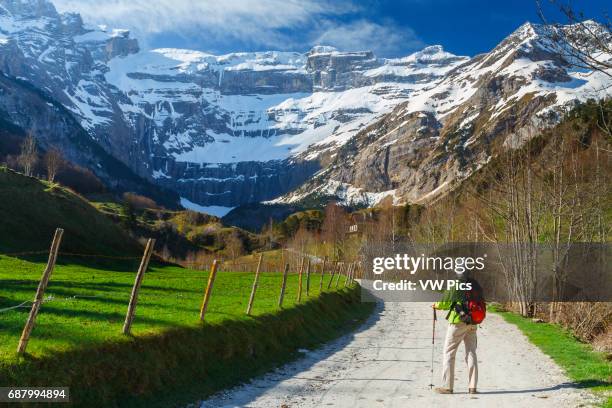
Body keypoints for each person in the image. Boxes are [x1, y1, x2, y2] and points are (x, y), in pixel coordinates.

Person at [432, 273, 481, 395]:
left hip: (457, 322)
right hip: (472, 322)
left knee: (449, 352)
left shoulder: (455, 285)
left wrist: (436, 305)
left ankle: (448, 386)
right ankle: (472, 387)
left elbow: (445, 302)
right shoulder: (474, 285)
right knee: (471, 352)